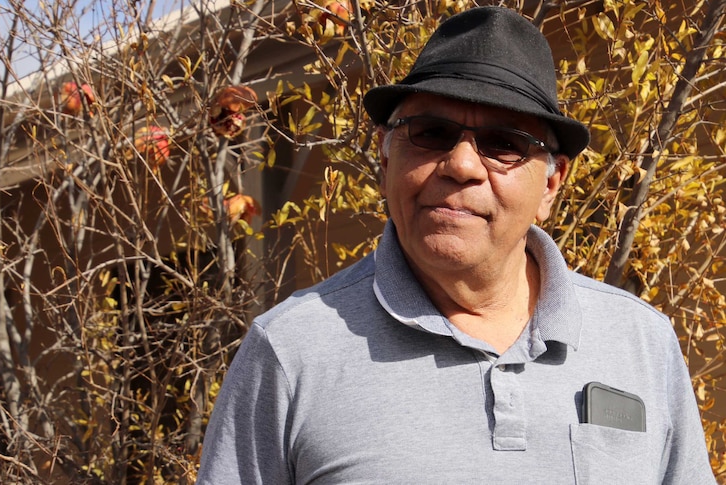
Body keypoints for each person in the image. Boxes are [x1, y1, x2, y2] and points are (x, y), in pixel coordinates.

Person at [196, 6, 715, 484]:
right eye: (431, 132)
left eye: (504, 144)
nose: (462, 165)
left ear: (551, 186)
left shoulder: (641, 344)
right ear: (385, 159)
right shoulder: (289, 353)